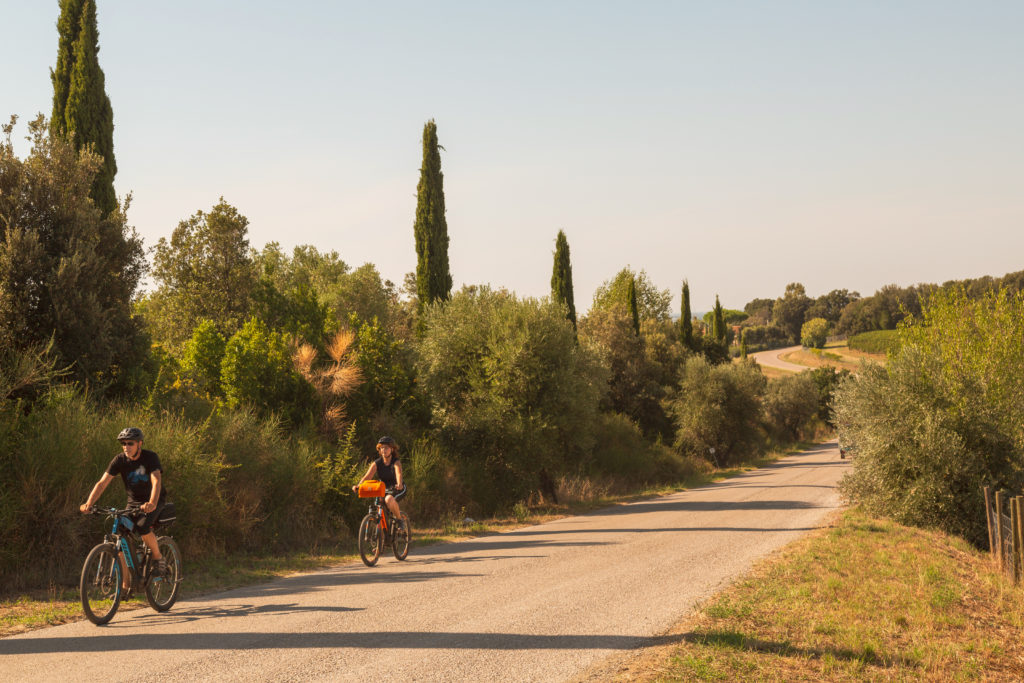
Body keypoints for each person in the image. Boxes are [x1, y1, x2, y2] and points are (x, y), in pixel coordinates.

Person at [80, 427, 167, 591]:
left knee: (142, 527)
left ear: (139, 444)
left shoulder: (150, 457)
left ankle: (157, 557)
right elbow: (102, 483)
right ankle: (126, 585)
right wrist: (89, 503)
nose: (126, 446)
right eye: (123, 443)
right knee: (121, 537)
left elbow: (156, 481)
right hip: (133, 503)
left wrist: (152, 503)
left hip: (153, 500)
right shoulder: (119, 460)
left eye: (130, 443)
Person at [353, 436, 407, 527]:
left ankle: (399, 519)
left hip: (397, 488)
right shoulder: (377, 463)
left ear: (392, 449)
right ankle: (382, 537)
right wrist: (359, 485)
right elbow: (367, 477)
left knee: (388, 499)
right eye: (381, 448)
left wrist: (399, 484)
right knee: (379, 505)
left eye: (386, 448)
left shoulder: (396, 462)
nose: (383, 450)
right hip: (383, 489)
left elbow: (398, 474)